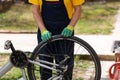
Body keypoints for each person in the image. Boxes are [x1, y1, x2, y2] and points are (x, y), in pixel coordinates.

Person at [29, 0, 84, 80]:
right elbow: (35, 10)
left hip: (65, 32)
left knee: (65, 67)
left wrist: (70, 27)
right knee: (45, 67)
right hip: (45, 31)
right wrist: (43, 30)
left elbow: (78, 9)